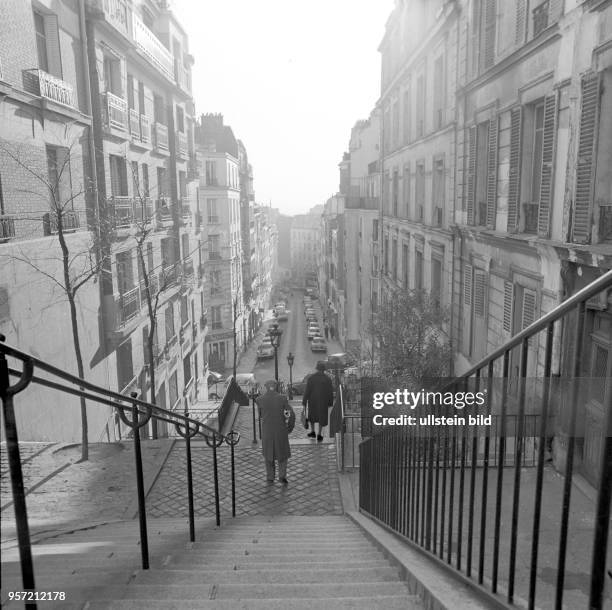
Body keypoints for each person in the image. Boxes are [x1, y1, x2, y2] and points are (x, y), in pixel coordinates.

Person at [257, 379, 294, 485]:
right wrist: (289, 427)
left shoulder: (260, 399)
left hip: (267, 431)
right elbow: (289, 414)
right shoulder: (283, 398)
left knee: (268, 454)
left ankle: (270, 477)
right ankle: (282, 476)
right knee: (282, 454)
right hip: (280, 430)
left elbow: (260, 415)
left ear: (266, 387)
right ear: (276, 386)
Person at [302, 362, 334, 442]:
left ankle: (313, 432)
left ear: (317, 369)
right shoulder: (328, 379)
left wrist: (304, 402)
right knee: (321, 418)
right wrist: (330, 402)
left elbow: (307, 391)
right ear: (324, 370)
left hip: (312, 401)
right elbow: (330, 392)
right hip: (323, 401)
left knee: (312, 417)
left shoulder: (311, 378)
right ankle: (319, 434)